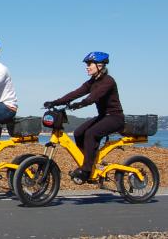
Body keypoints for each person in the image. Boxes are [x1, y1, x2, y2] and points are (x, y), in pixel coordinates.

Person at [44, 51, 124, 182]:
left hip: (115, 118)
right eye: (87, 64)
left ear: (100, 65)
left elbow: (94, 97)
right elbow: (76, 93)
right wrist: (55, 102)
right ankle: (88, 161)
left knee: (91, 133)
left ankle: (86, 170)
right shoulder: (92, 82)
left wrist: (79, 105)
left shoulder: (108, 81)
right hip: (103, 116)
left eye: (89, 64)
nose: (87, 67)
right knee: (78, 132)